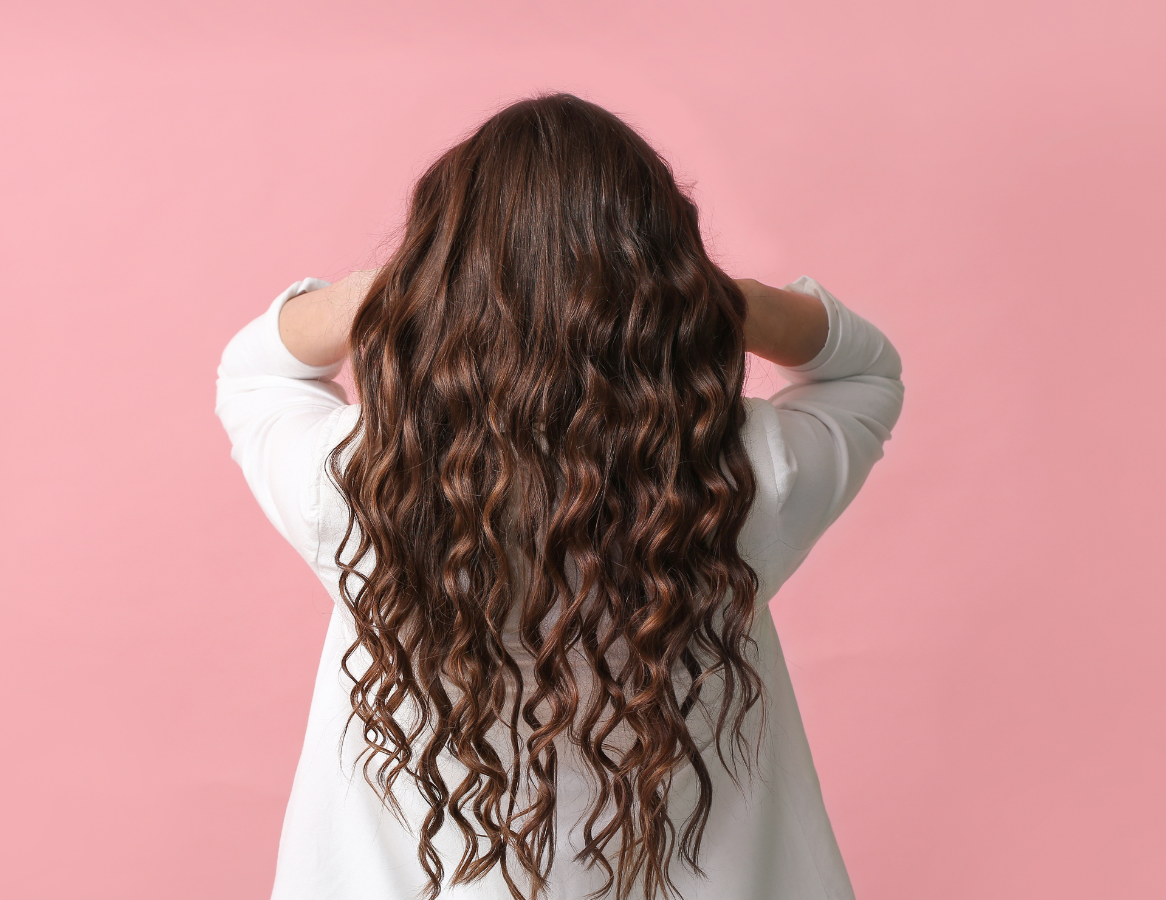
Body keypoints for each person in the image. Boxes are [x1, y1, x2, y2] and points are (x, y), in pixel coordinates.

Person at [215, 91, 904, 900]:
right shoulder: (746, 475)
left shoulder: (358, 482)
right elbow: (864, 371)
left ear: (438, 275)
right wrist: (717, 298)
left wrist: (391, 289)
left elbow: (255, 370)